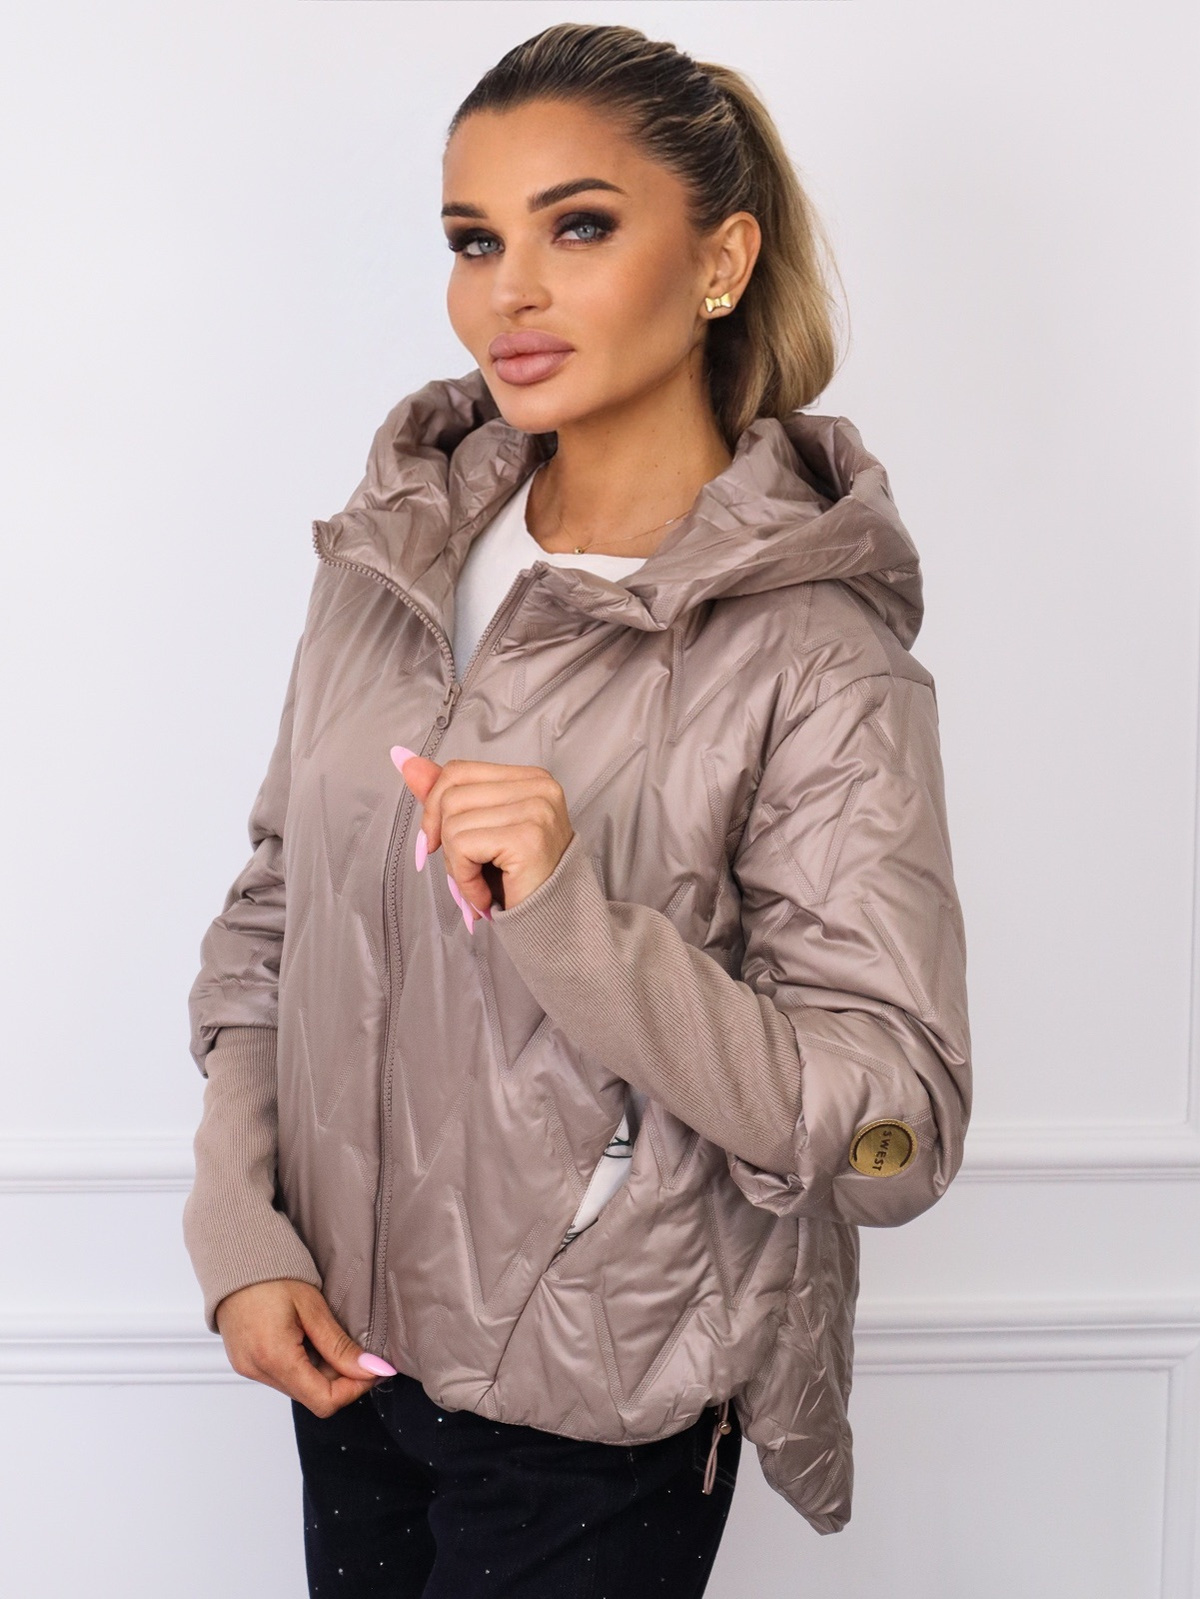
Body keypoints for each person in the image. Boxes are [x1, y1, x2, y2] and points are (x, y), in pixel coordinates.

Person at [183, 21, 972, 1598]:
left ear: (723, 261)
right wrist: (239, 1226)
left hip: (601, 1412)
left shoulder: (811, 653)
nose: (511, 292)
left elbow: (896, 1128)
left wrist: (569, 920)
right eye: (475, 240)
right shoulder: (392, 559)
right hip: (349, 1359)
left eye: (581, 226)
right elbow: (273, 923)